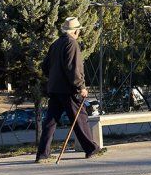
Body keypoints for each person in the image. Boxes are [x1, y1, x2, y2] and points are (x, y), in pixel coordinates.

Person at [35, 17, 101, 162]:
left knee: (50, 122)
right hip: (69, 89)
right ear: (76, 31)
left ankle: (42, 154)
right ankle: (91, 148)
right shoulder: (72, 44)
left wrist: (54, 77)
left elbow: (45, 66)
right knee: (80, 119)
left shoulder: (56, 44)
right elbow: (74, 69)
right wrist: (81, 86)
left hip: (54, 89)